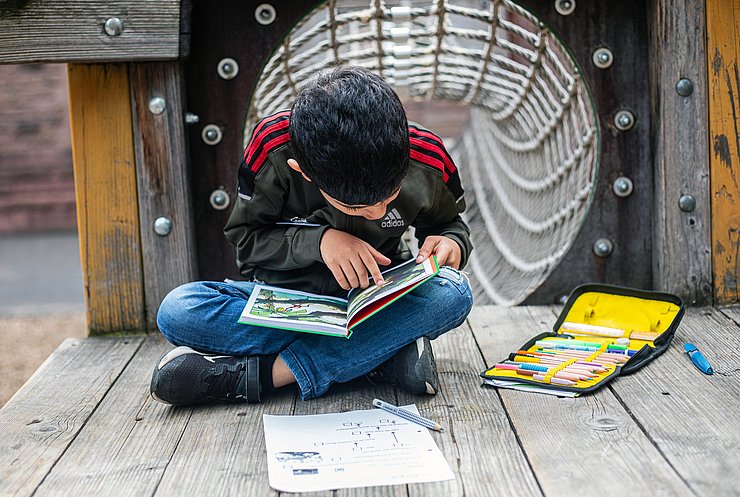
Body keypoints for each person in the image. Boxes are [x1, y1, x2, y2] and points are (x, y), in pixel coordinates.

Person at [150, 65, 473, 405]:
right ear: (302, 171)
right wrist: (319, 242)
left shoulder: (428, 156)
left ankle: (267, 376)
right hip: (288, 303)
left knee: (454, 292)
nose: (378, 214)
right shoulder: (272, 149)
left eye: (389, 197)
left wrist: (451, 243)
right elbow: (247, 243)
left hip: (377, 301)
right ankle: (379, 354)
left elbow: (450, 226)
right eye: (357, 208)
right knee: (178, 310)